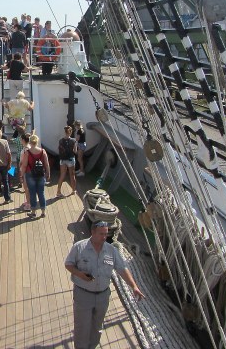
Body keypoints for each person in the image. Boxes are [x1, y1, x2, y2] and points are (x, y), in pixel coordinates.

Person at [65, 221, 145, 349]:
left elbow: (122, 269)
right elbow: (68, 264)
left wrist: (134, 286)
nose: (104, 237)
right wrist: (80, 274)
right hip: (83, 295)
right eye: (101, 234)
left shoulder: (111, 250)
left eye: (106, 234)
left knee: (97, 327)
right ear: (93, 232)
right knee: (82, 327)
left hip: (103, 296)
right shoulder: (79, 247)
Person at [19, 134, 50, 218]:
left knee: (32, 193)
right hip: (40, 174)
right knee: (41, 193)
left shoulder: (27, 152)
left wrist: (21, 175)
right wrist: (48, 173)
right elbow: (46, 164)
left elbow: (24, 165)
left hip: (30, 174)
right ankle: (43, 212)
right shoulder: (42, 151)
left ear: (30, 142)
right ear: (37, 142)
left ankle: (33, 212)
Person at [56, 125, 77, 198]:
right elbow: (75, 151)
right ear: (70, 132)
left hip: (62, 160)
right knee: (72, 175)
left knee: (62, 175)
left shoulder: (60, 140)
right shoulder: (73, 140)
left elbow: (59, 149)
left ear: (65, 132)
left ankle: (58, 192)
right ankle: (73, 190)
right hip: (70, 159)